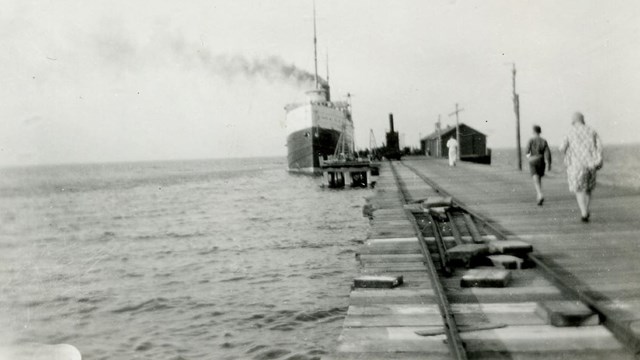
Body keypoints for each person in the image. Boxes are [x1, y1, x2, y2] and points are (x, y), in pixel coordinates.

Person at [560, 112, 603, 222]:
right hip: (591, 164)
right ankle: (586, 209)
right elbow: (599, 147)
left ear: (573, 121)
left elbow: (562, 148)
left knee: (578, 189)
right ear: (583, 120)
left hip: (576, 165)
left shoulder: (570, 132)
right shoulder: (592, 130)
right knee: (588, 188)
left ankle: (583, 211)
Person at [526, 125, 551, 206]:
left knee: (535, 177)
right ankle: (538, 195)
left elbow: (527, 151)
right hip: (541, 159)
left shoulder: (531, 140)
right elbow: (547, 153)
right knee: (539, 177)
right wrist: (549, 163)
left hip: (533, 159)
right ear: (540, 131)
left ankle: (539, 194)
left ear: (533, 131)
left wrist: (529, 158)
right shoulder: (544, 141)